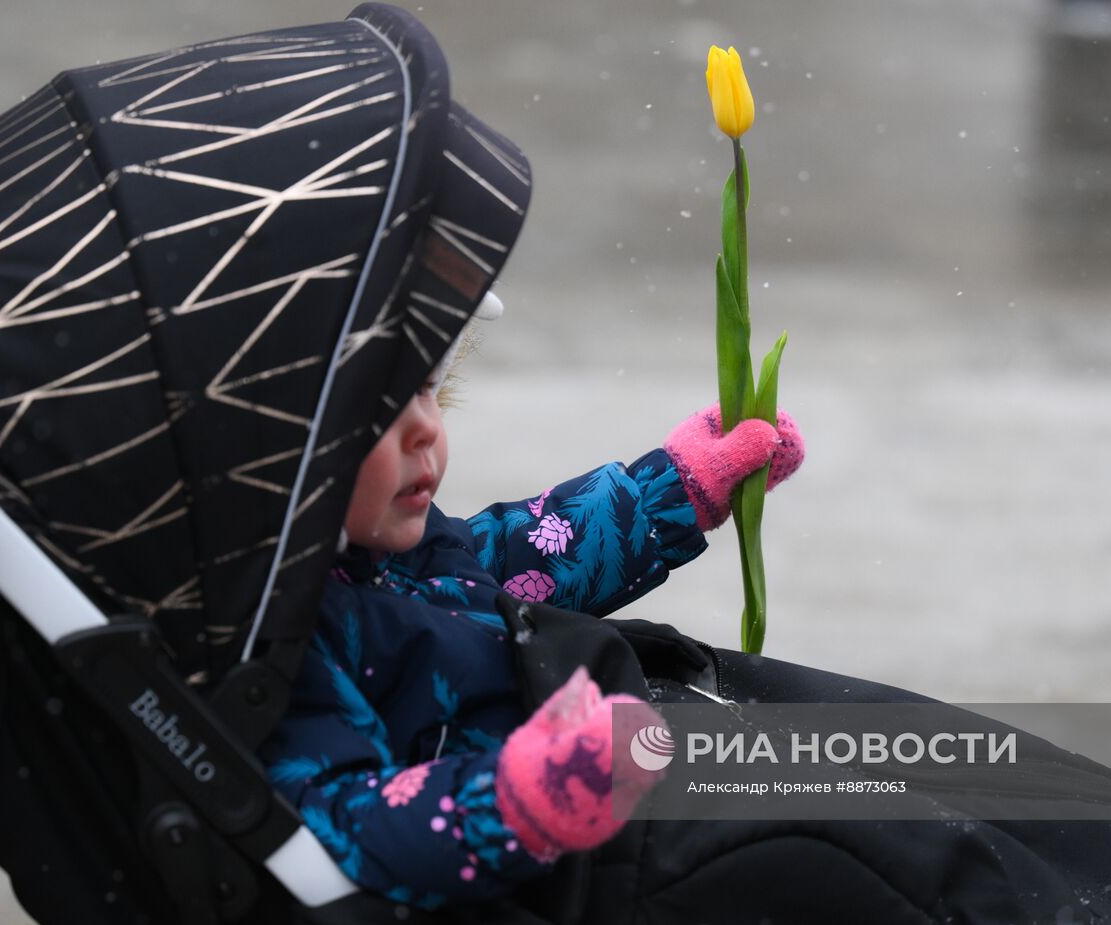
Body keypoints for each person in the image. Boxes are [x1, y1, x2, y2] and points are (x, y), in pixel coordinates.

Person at [258, 323, 805, 911]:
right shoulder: (274, 651)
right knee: (839, 836)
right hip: (573, 859)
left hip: (619, 746)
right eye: (377, 411)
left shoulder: (388, 546)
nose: (425, 427)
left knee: (876, 765)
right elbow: (338, 828)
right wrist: (518, 802)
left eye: (424, 389)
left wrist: (672, 491)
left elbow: (496, 567)